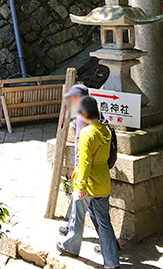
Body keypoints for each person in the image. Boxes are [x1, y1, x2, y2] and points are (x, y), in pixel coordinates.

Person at [56, 95, 119, 269]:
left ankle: (70, 247)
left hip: (88, 184)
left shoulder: (87, 133)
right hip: (103, 182)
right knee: (104, 223)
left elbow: (84, 163)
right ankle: (112, 263)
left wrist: (81, 187)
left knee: (77, 216)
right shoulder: (106, 130)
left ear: (83, 114)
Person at [59, 84, 89, 237]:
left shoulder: (82, 118)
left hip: (86, 166)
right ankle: (69, 227)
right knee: (91, 206)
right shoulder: (93, 112)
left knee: (86, 204)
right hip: (95, 166)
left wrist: (78, 165)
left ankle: (71, 243)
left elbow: (81, 144)